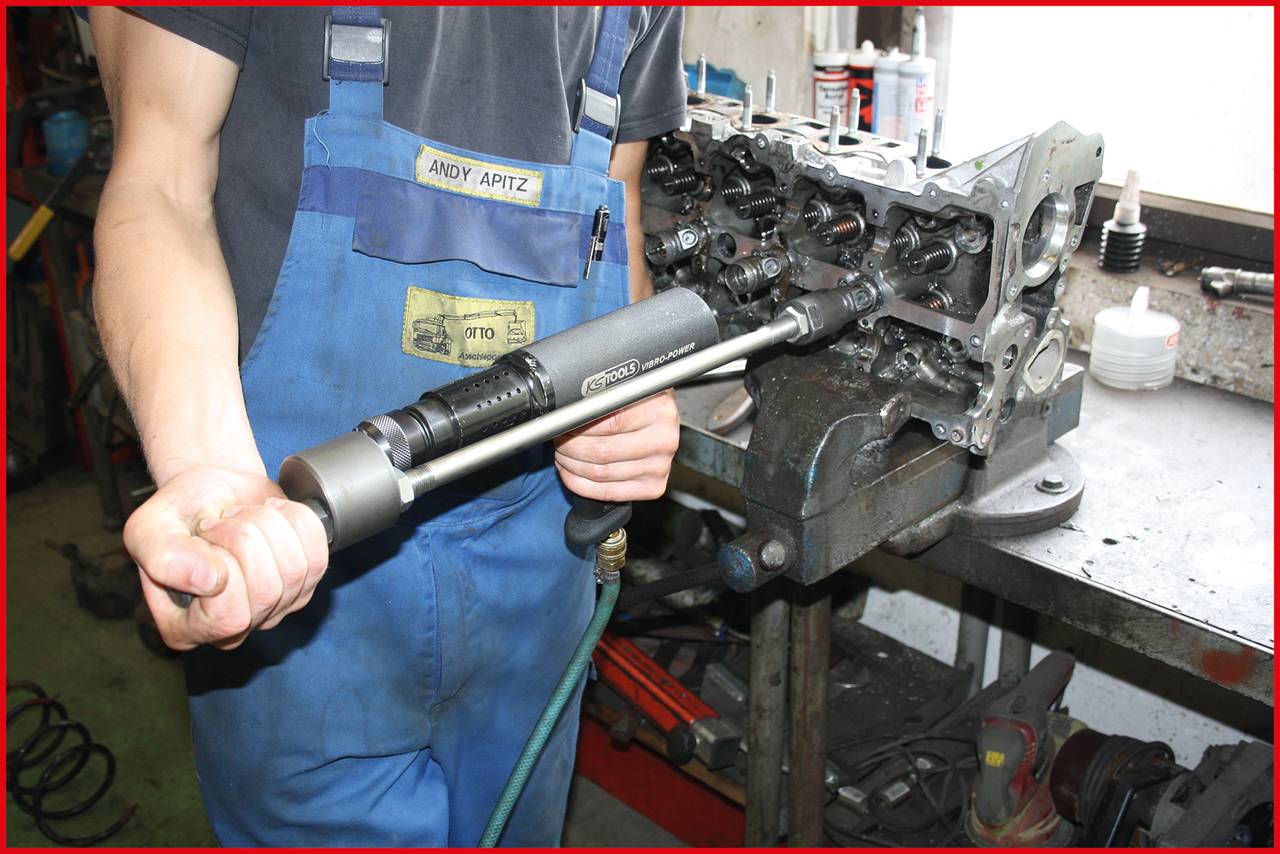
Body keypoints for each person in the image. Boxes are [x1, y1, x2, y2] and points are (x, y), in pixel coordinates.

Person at [89, 5, 687, 846]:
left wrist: (630, 381)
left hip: (539, 566)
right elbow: (159, 184)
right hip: (295, 562)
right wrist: (205, 469)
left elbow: (611, 206)